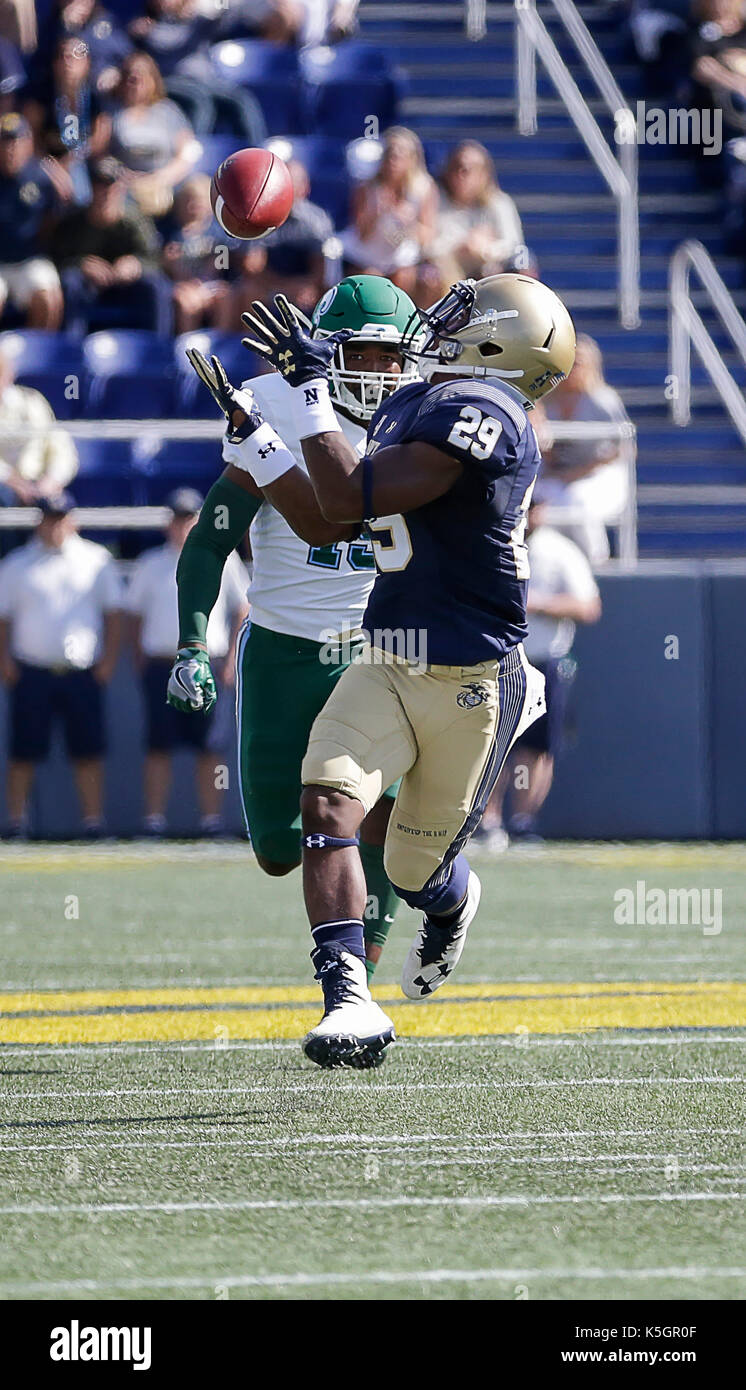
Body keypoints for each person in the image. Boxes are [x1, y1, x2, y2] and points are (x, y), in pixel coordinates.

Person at [236, 271, 574, 1068]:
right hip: (389, 654)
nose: (441, 320)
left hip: (474, 678)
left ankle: (451, 901)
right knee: (327, 804)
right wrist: (260, 444)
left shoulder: (485, 416)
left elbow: (353, 493)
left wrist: (314, 393)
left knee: (415, 868)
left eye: (465, 313)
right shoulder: (414, 401)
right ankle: (347, 999)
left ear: (499, 340)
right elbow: (326, 516)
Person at [167, 274, 422, 980]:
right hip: (284, 648)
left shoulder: (426, 416)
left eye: (392, 356)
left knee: (377, 820)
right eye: (364, 355)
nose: (381, 371)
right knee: (280, 851)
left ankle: (356, 976)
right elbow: (211, 538)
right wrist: (191, 643)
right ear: (326, 352)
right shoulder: (271, 404)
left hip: (381, 654)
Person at [0, 491, 122, 837]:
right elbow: (3, 618)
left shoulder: (96, 560)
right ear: (39, 521)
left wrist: (108, 661)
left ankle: (93, 821)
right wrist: (5, 660)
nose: (54, 526)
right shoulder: (17, 563)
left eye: (60, 518)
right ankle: (15, 822)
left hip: (82, 672)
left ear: (72, 520)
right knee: (23, 752)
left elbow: (113, 614)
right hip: (31, 670)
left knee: (88, 751)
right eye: (49, 518)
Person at [480, 498, 601, 847]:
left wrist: (539, 603)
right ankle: (487, 820)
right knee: (491, 743)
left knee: (535, 747)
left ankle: (522, 822)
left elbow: (588, 606)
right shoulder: (491, 541)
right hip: (498, 658)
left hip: (543, 659)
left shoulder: (558, 550)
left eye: (535, 507)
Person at [127, 487, 248, 836]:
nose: (183, 525)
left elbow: (242, 607)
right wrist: (140, 658)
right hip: (161, 664)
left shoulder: (224, 558)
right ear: (170, 522)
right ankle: (153, 820)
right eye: (178, 518)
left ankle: (212, 821)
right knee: (158, 746)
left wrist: (231, 660)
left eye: (189, 517)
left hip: (209, 663)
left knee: (212, 748)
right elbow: (134, 615)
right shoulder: (151, 563)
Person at [540, 333, 633, 564]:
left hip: (600, 476)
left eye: (579, 362)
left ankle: (594, 564)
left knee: (579, 500)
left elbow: (623, 450)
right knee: (539, 497)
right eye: (568, 361)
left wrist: (576, 474)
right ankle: (556, 566)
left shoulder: (603, 401)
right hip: (559, 475)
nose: (572, 368)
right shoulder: (547, 400)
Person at [54, 155, 171, 334]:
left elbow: (154, 258)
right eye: (100, 185)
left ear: (121, 188)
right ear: (92, 187)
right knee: (71, 282)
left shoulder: (135, 220)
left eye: (112, 185)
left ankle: (158, 347)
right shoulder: (74, 221)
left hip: (126, 285)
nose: (106, 191)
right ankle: (72, 345)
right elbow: (57, 257)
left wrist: (136, 265)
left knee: (157, 285)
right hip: (88, 286)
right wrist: (81, 264)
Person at [340, 126, 438, 297]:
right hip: (367, 255)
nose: (394, 159)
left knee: (405, 278)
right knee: (371, 280)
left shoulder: (424, 188)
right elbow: (361, 234)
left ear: (412, 158)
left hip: (401, 257)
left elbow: (428, 236)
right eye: (390, 154)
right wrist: (376, 214)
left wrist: (409, 223)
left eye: (400, 154)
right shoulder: (366, 188)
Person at [107, 51, 199, 217]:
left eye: (140, 77)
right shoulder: (111, 113)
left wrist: (161, 178)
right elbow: (99, 153)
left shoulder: (168, 111)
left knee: (197, 194)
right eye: (129, 77)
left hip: (166, 180)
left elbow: (187, 153)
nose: (134, 83)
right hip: (126, 183)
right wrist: (119, 173)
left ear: (152, 81)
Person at [430, 141, 525, 295]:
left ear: (483, 174)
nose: (461, 174)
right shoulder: (435, 198)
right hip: (445, 268)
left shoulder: (499, 203)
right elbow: (427, 243)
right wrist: (463, 244)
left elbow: (513, 244)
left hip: (487, 268)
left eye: (468, 170)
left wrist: (485, 250)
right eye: (457, 168)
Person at [0, 112, 64, 329]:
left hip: (29, 258)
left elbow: (52, 221)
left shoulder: (42, 177)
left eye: (15, 141)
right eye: (5, 142)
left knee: (49, 298)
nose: (10, 149)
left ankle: (35, 357)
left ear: (27, 143)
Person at [0, 343, 78, 506]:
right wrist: (12, 481)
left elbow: (60, 447)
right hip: (5, 490)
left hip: (40, 487)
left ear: (10, 373)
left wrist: (52, 481)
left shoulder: (33, 401)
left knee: (61, 507)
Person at [162, 174, 231, 333]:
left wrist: (204, 280)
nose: (193, 207)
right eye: (189, 201)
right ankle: (189, 346)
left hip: (208, 282)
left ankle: (220, 342)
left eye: (198, 203)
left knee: (226, 296)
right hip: (181, 283)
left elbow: (221, 262)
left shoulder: (217, 233)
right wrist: (177, 271)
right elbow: (168, 264)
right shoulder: (173, 233)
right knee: (186, 301)